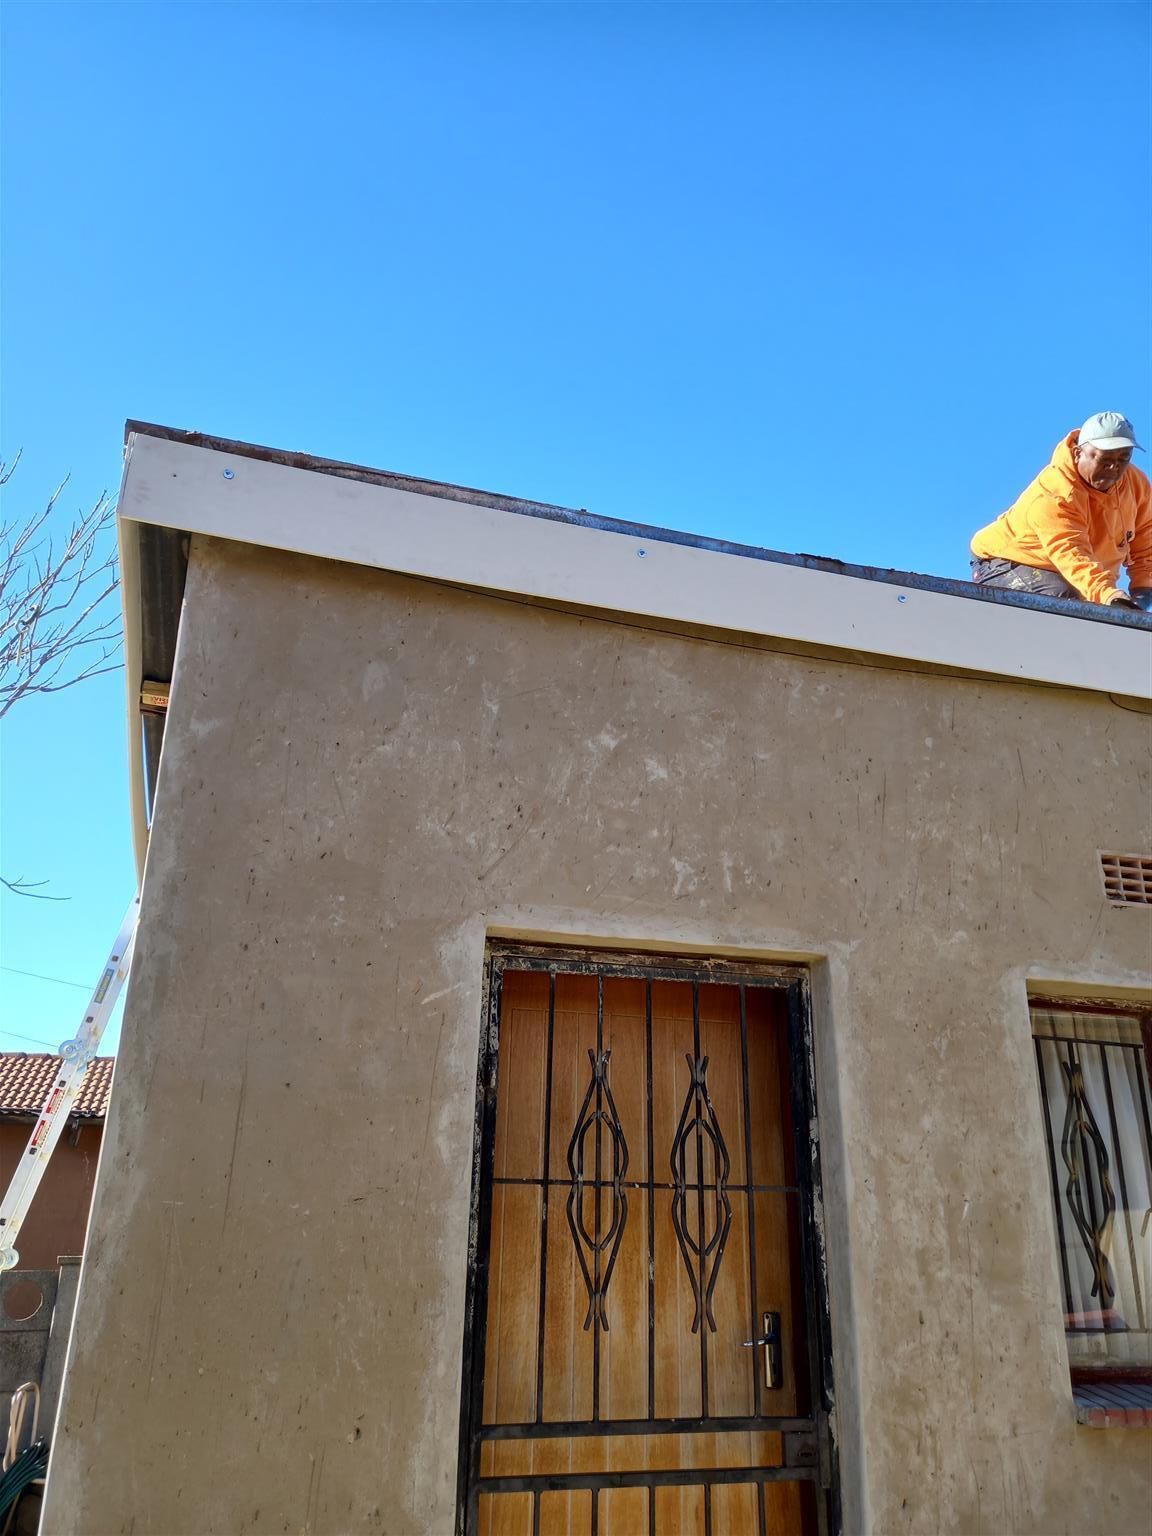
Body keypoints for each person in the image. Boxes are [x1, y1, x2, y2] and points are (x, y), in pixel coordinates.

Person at [970, 412, 1151, 609]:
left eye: (1124, 458)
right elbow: (1071, 553)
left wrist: (1144, 589)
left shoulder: (1136, 485)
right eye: (1105, 458)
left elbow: (1147, 540)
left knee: (1090, 609)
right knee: (1067, 604)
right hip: (1006, 563)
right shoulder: (1055, 493)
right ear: (1078, 453)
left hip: (1068, 573)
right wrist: (1107, 594)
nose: (1114, 466)